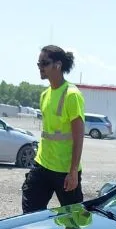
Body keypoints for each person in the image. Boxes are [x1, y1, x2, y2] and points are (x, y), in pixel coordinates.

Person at [21, 45, 86, 214]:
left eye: (44, 63)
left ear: (57, 65)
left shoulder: (71, 95)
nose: (40, 68)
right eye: (38, 64)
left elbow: (79, 137)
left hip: (64, 171)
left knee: (73, 220)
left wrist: (73, 172)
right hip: (43, 165)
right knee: (30, 213)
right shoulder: (45, 95)